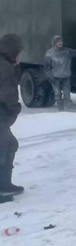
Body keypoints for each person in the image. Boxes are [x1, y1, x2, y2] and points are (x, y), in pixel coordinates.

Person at [0, 34, 24, 198]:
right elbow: (8, 94)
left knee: (8, 145)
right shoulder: (5, 67)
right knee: (7, 147)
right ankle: (4, 186)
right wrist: (15, 109)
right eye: (18, 51)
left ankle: (4, 184)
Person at [44, 35, 76, 111]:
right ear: (54, 42)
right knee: (57, 94)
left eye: (61, 41)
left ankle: (68, 109)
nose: (60, 43)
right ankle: (60, 110)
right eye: (58, 41)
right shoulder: (49, 54)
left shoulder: (67, 51)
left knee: (67, 94)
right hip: (55, 78)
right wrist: (50, 77)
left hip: (66, 77)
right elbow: (46, 68)